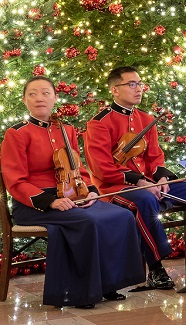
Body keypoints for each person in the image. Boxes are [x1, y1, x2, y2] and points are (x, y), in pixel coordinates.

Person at [83, 66, 186, 290]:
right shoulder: (99, 122)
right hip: (115, 188)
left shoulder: (146, 119)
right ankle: (155, 268)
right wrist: (141, 182)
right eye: (131, 84)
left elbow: (155, 157)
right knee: (145, 200)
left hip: (149, 184)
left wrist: (161, 177)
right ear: (114, 89)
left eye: (140, 84)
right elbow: (101, 168)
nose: (138, 89)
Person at [1, 77, 145, 309]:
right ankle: (81, 293)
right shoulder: (16, 133)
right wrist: (50, 202)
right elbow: (15, 180)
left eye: (46, 93)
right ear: (24, 99)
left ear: (55, 98)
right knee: (87, 222)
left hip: (72, 193)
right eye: (33, 94)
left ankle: (109, 284)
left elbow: (78, 168)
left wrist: (88, 191)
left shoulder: (66, 130)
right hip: (34, 205)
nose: (40, 98)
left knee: (121, 215)